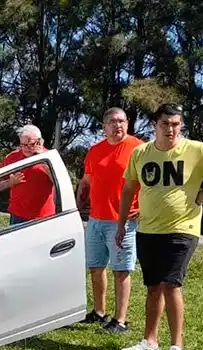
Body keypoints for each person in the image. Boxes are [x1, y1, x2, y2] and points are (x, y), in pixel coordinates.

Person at [116, 103, 203, 350]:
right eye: (165, 124)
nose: (171, 129)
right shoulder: (140, 153)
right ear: (154, 125)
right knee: (152, 286)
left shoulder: (195, 150)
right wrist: (120, 225)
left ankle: (177, 349)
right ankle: (150, 342)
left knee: (171, 284)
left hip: (182, 229)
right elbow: (129, 189)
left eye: (176, 124)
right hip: (147, 229)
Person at [76, 107, 145, 333]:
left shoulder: (139, 148)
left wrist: (143, 207)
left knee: (121, 270)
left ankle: (120, 320)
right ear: (103, 126)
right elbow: (86, 182)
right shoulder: (95, 150)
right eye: (113, 122)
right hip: (95, 219)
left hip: (122, 221)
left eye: (122, 121)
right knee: (96, 268)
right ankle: (98, 312)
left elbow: (152, 184)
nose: (118, 125)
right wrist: (76, 209)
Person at [0, 124, 56, 225]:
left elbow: (60, 183)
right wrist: (11, 182)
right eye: (22, 145)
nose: (25, 149)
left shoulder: (50, 158)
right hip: (17, 215)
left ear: (39, 142)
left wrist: (44, 161)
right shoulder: (12, 157)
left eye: (30, 144)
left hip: (42, 217)